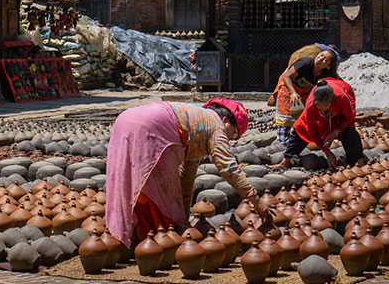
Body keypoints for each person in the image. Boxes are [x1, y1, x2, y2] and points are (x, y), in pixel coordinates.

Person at [105, 98, 272, 247]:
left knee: (135, 185)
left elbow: (187, 178)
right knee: (160, 192)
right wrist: (256, 201)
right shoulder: (216, 125)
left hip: (125, 120)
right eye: (234, 133)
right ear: (225, 120)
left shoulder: (197, 124)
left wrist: (184, 219)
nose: (231, 139)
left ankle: (139, 240)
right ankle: (156, 241)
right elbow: (228, 167)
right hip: (151, 127)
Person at [270, 78, 364, 170]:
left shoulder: (342, 98)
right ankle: (285, 162)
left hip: (343, 93)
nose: (322, 108)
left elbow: (349, 118)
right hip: (321, 103)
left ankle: (358, 161)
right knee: (301, 128)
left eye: (325, 105)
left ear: (332, 101)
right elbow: (312, 131)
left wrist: (335, 132)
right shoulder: (311, 105)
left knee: (348, 130)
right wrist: (327, 153)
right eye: (319, 105)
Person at [269, 48, 338, 147]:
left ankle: (295, 143)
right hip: (288, 88)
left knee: (302, 117)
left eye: (325, 60)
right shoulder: (305, 63)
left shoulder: (325, 74)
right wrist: (293, 92)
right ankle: (282, 144)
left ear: (328, 66)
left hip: (304, 92)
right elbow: (286, 77)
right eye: (321, 55)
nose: (321, 58)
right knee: (286, 117)